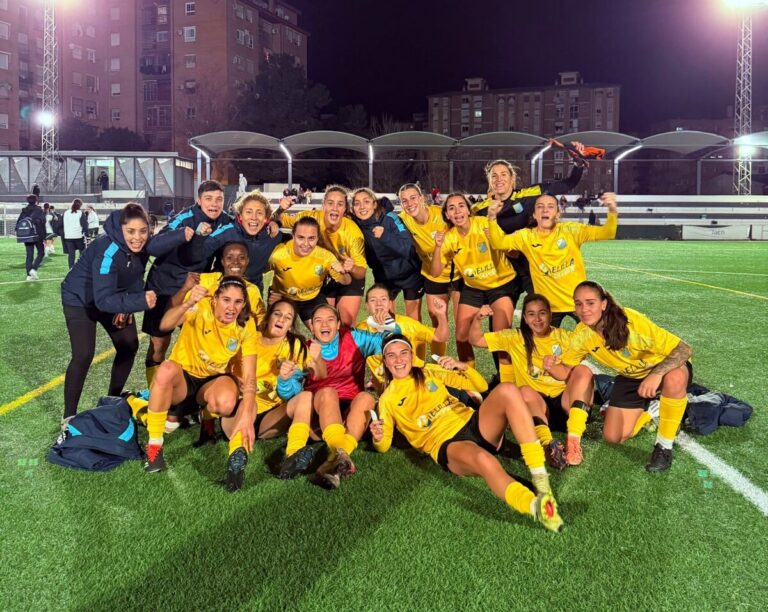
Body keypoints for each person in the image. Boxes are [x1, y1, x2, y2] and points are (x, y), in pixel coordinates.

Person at [370, 334, 563, 532]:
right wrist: (378, 437)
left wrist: (464, 368)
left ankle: (541, 481)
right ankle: (537, 508)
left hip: (474, 423)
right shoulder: (387, 400)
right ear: (385, 362)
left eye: (403, 353)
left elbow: (481, 386)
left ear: (411, 355)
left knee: (507, 390)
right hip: (447, 443)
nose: (399, 360)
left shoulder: (429, 372)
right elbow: (384, 444)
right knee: (484, 460)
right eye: (392, 356)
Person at [543, 281, 693, 472]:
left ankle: (664, 447)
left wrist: (656, 374)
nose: (584, 309)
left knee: (675, 379)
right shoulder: (582, 334)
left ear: (604, 304)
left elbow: (684, 349)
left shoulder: (631, 322)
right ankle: (653, 410)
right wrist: (552, 367)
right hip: (631, 376)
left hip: (664, 368)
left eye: (590, 303)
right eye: (578, 304)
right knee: (613, 437)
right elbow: (566, 372)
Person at [143, 277, 259, 482]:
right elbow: (165, 324)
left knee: (224, 403)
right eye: (226, 300)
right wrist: (187, 303)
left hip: (212, 381)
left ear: (244, 304)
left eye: (238, 302)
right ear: (215, 299)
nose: (231, 307)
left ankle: (205, 416)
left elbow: (250, 374)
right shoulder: (199, 307)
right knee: (166, 370)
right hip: (184, 379)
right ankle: (154, 447)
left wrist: (249, 415)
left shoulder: (246, 325)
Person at [279, 304, 399, 488]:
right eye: (318, 321)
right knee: (328, 392)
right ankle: (334, 453)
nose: (324, 324)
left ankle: (332, 463)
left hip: (350, 413)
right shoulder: (304, 349)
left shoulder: (354, 337)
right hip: (319, 415)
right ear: (311, 327)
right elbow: (293, 393)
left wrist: (389, 324)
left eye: (330, 320)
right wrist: (285, 380)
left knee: (367, 398)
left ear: (338, 324)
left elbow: (390, 344)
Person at [60, 203, 156, 429]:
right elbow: (103, 299)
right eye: (131, 231)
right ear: (121, 229)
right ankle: (68, 417)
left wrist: (127, 307)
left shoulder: (142, 249)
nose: (138, 237)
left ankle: (111, 401)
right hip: (80, 300)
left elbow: (134, 279)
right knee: (83, 354)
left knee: (129, 344)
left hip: (112, 297)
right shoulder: (108, 249)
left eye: (143, 231)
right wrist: (139, 301)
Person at [469, 295, 589, 470]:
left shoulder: (565, 337)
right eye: (531, 314)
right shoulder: (514, 337)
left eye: (542, 313)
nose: (537, 319)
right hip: (537, 409)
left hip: (566, 405)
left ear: (550, 314)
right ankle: (549, 445)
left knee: (584, 371)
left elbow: (589, 350)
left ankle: (573, 440)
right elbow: (475, 340)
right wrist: (478, 319)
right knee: (524, 391)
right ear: (524, 318)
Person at [220, 300, 324, 491]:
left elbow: (317, 377)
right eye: (277, 314)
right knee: (248, 403)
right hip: (237, 416)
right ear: (268, 317)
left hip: (270, 418)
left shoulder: (295, 346)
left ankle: (293, 454)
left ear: (291, 325)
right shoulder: (247, 338)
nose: (281, 320)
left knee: (305, 397)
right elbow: (220, 370)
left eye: (288, 317)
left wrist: (316, 360)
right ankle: (236, 460)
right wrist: (234, 379)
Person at [142, 180, 232, 387]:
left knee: (199, 340)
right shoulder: (185, 218)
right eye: (208, 199)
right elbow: (154, 247)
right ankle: (154, 394)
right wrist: (181, 235)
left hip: (195, 288)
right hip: (163, 286)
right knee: (159, 343)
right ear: (198, 200)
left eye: (219, 199)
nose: (214, 204)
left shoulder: (227, 221)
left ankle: (192, 392)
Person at [472, 149, 586, 306]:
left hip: (531, 268)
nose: (499, 179)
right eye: (494, 176)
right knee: (499, 321)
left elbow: (567, 183)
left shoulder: (529, 194)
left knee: (547, 309)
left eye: (504, 174)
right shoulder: (479, 209)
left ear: (513, 179)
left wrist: (578, 163)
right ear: (490, 181)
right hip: (503, 271)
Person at [487, 192, 618, 326]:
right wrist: (491, 217)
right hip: (548, 307)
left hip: (578, 303)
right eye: (540, 207)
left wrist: (612, 210)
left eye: (550, 206)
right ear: (534, 215)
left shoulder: (571, 230)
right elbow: (499, 243)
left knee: (597, 342)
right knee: (542, 346)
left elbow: (608, 232)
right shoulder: (526, 236)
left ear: (557, 214)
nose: (545, 210)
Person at [431, 193, 520, 373]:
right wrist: (438, 246)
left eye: (461, 206)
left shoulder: (484, 224)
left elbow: (514, 254)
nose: (457, 211)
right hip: (474, 288)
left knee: (501, 337)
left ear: (469, 209)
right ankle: (470, 382)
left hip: (501, 285)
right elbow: (435, 272)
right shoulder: (449, 237)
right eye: (451, 208)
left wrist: (497, 241)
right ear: (447, 215)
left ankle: (508, 383)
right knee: (461, 336)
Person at [275, 185, 368, 327]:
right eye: (330, 203)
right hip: (325, 273)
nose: (335, 208)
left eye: (340, 204)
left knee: (346, 323)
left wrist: (352, 267)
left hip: (349, 274)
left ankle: (346, 348)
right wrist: (281, 208)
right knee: (324, 324)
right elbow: (280, 219)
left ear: (345, 209)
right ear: (323, 205)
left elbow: (361, 272)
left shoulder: (353, 233)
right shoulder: (310, 218)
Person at [398, 183, 463, 352]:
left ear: (421, 198)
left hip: (458, 275)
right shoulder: (403, 220)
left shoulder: (440, 214)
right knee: (437, 323)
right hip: (433, 276)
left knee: (462, 327)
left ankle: (467, 370)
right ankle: (438, 364)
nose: (409, 203)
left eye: (413, 198)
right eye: (404, 200)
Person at [180, 190, 281, 293]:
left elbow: (295, 240)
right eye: (248, 212)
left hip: (252, 292)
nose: (253, 217)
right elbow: (195, 256)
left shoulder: (272, 235)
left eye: (259, 213)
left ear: (266, 218)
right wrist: (199, 237)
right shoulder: (226, 232)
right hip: (223, 289)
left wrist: (276, 222)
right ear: (240, 216)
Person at [356, 283, 449, 394]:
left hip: (419, 378)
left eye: (383, 299)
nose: (379, 304)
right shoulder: (361, 330)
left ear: (390, 304)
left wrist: (442, 316)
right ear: (366, 306)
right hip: (392, 390)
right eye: (373, 300)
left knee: (441, 394)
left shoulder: (406, 324)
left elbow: (440, 337)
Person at [349, 187, 424, 320]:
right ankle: (392, 341)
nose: (361, 207)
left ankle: (415, 342)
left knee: (414, 320)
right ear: (353, 208)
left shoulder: (390, 217)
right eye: (357, 203)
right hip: (384, 277)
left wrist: (385, 236)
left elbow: (407, 248)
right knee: (385, 319)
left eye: (366, 201)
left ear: (374, 204)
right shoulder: (354, 226)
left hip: (409, 274)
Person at [268, 216, 351, 326]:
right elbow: (256, 272)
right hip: (283, 297)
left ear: (317, 238)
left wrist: (342, 272)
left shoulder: (326, 257)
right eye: (301, 238)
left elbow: (347, 281)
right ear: (293, 236)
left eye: (311, 238)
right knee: (279, 331)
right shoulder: (278, 255)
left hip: (312, 297)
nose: (306, 244)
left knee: (325, 328)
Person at [16, 194, 46, 281]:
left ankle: (29, 275)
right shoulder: (39, 210)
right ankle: (34, 268)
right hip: (38, 235)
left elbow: (18, 223)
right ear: (36, 201)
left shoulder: (24, 211)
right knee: (41, 252)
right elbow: (43, 221)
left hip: (27, 235)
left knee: (29, 255)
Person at [62, 198, 87, 269]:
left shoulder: (66, 212)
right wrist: (87, 234)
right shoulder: (80, 213)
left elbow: (60, 224)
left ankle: (71, 268)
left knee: (71, 254)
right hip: (78, 236)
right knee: (82, 252)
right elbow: (84, 225)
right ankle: (82, 267)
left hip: (68, 236)